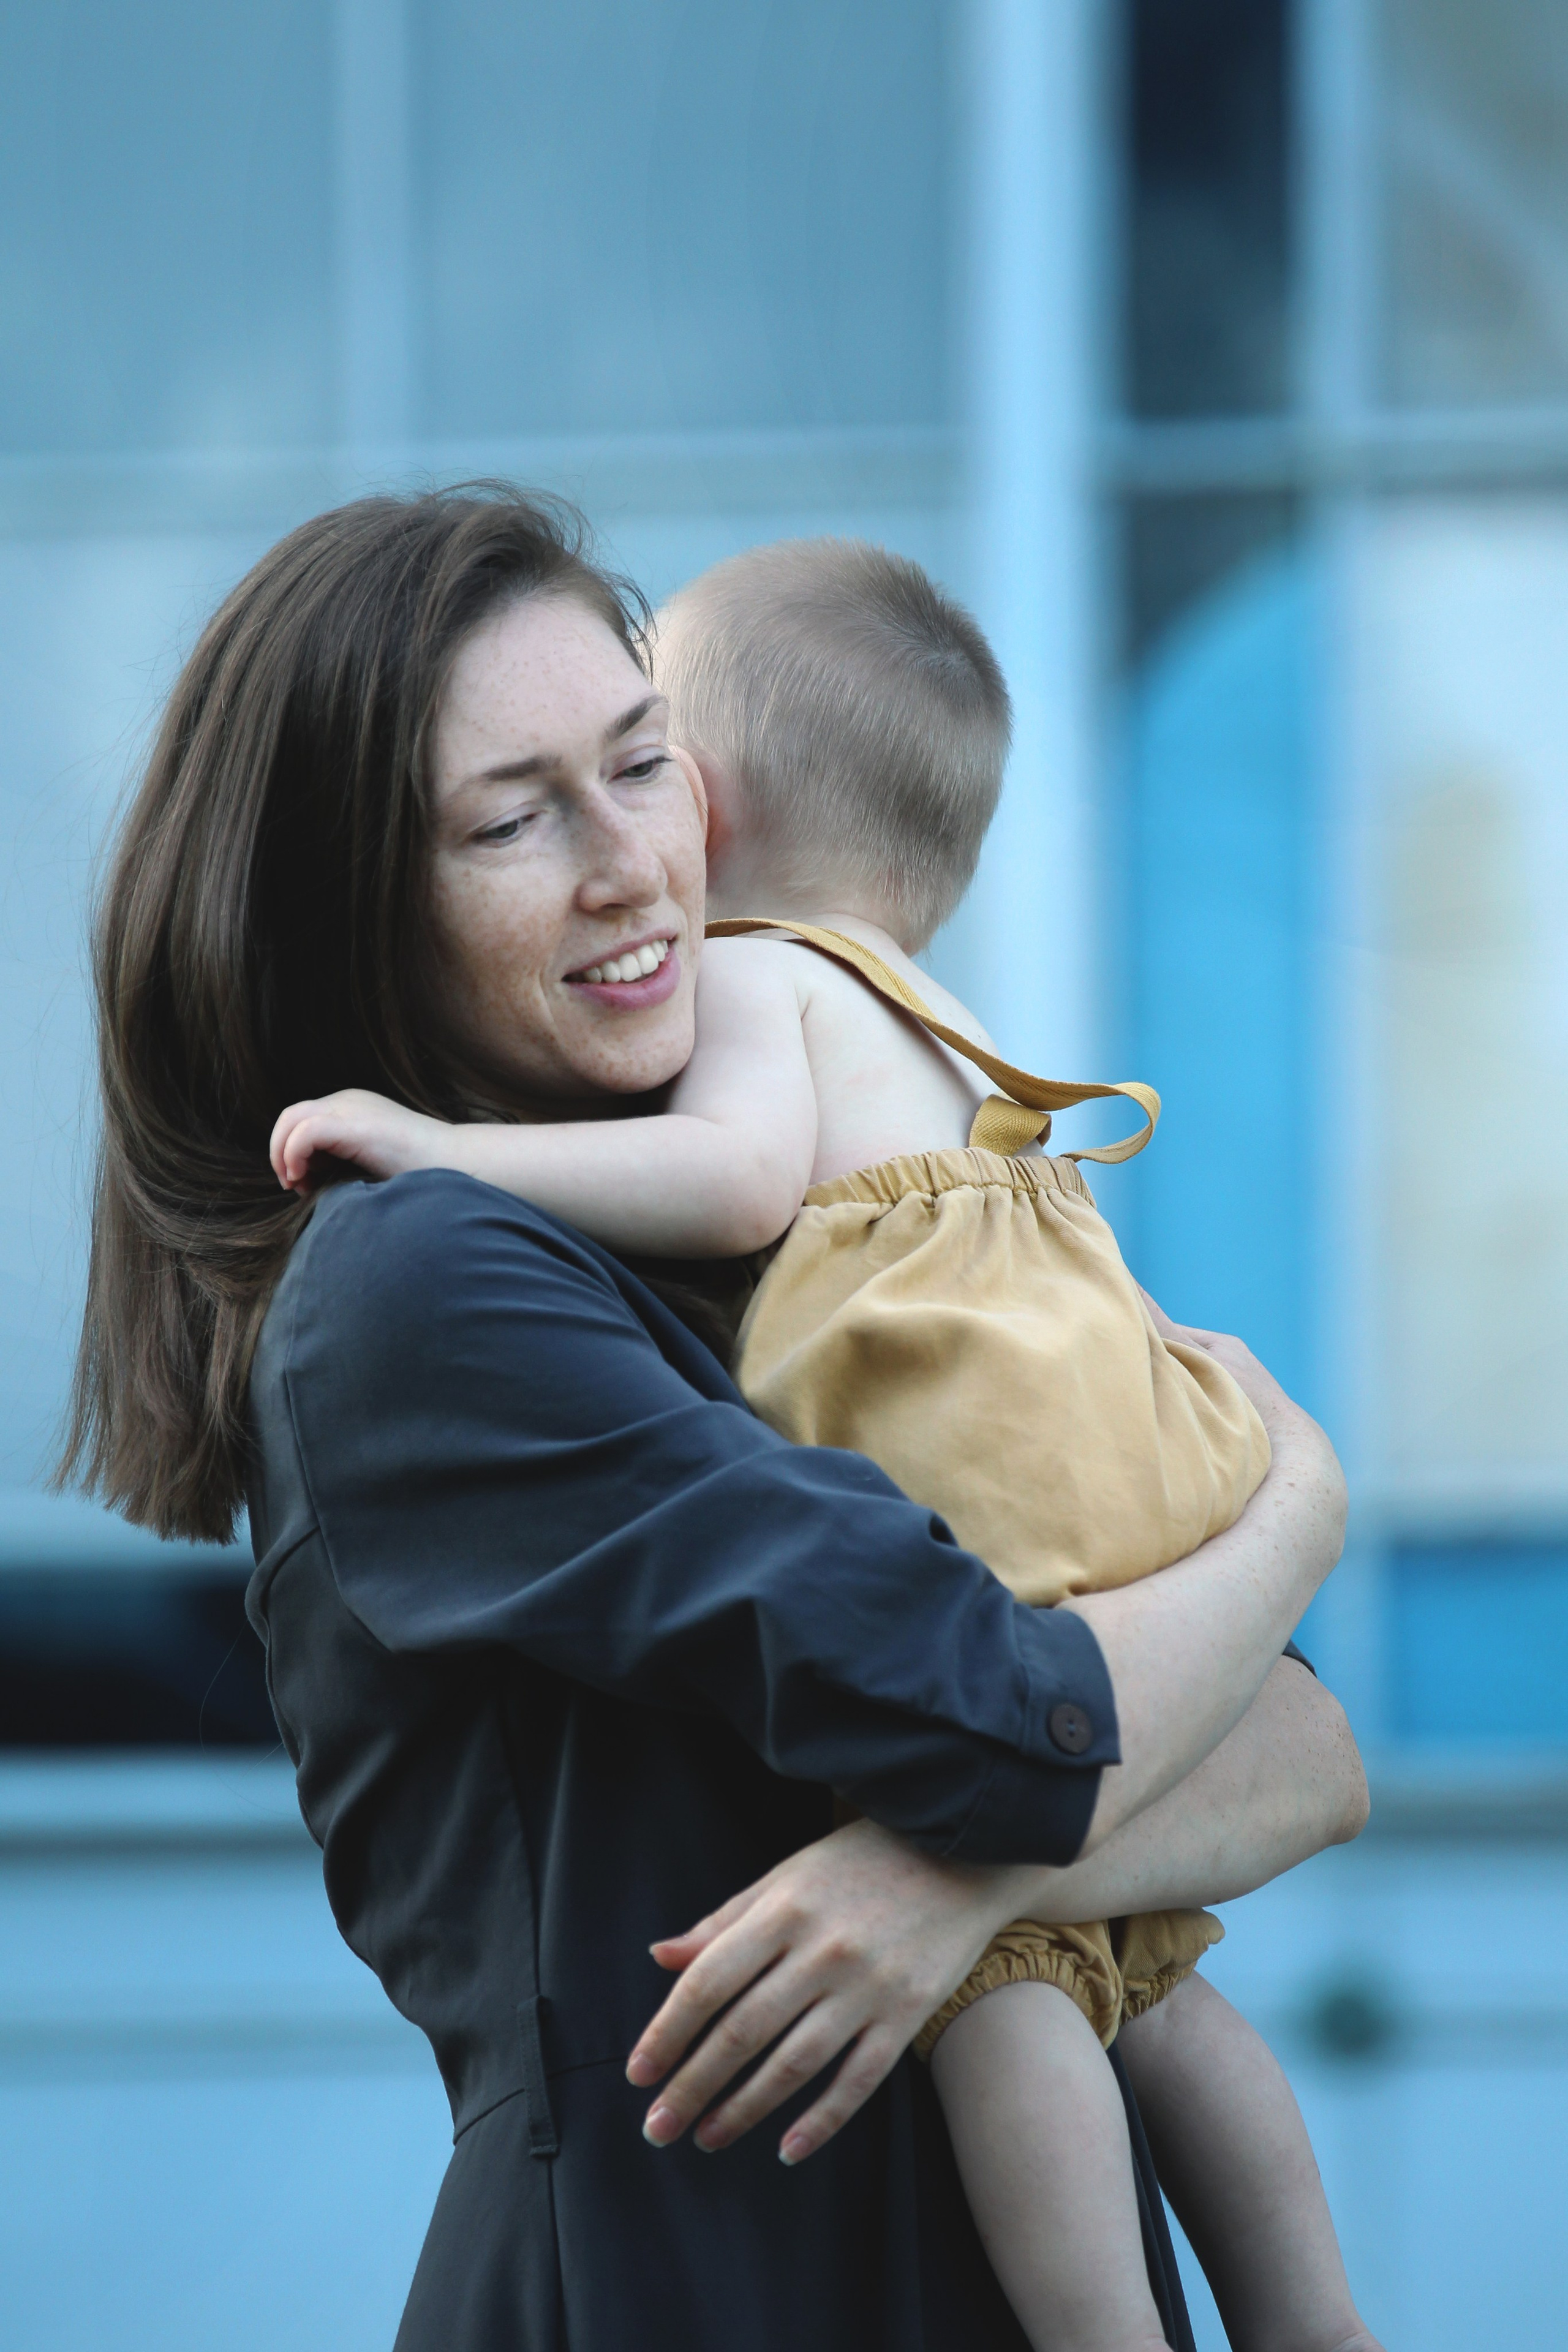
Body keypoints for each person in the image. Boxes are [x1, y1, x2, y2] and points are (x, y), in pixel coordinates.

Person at [62, 484, 1363, 2352]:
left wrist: (931, 1887)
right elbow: (1029, 1720)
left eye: (646, 765)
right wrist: (1297, 1509)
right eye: (513, 819)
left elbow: (1299, 1749)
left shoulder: (808, 1250)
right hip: (687, 2283)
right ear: (343, 916)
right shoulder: (417, 1277)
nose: (635, 870)